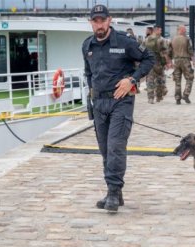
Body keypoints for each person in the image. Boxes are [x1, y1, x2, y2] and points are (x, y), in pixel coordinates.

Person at [82, 4, 155, 212]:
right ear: (91, 23)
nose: (99, 25)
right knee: (105, 150)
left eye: (102, 20)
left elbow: (149, 59)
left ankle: (113, 192)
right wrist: (92, 93)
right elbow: (89, 73)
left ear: (109, 20)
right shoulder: (87, 46)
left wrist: (132, 80)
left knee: (115, 147)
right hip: (99, 104)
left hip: (120, 102)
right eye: (95, 21)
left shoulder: (124, 42)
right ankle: (114, 192)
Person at [144, 24, 172, 104]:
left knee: (150, 80)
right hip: (158, 63)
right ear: (156, 30)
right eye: (160, 30)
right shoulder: (161, 40)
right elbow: (165, 52)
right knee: (160, 80)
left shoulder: (146, 39)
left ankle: (150, 98)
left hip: (149, 62)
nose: (161, 31)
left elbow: (141, 50)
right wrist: (168, 62)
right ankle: (159, 96)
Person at [170, 24, 195, 104]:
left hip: (176, 61)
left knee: (177, 80)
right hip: (185, 61)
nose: (185, 30)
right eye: (184, 29)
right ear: (181, 30)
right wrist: (194, 62)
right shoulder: (187, 39)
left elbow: (169, 52)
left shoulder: (172, 39)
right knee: (190, 78)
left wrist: (170, 62)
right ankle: (186, 94)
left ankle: (177, 98)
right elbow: (190, 51)